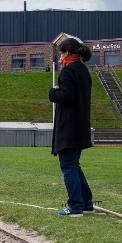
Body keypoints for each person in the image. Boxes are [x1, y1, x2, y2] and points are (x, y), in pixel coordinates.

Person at [49, 38, 94, 217]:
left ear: (67, 52)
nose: (60, 57)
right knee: (75, 166)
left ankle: (75, 206)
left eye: (61, 53)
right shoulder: (83, 70)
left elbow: (67, 96)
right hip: (81, 125)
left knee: (68, 166)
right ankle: (87, 203)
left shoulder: (68, 71)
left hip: (69, 126)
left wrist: (53, 92)